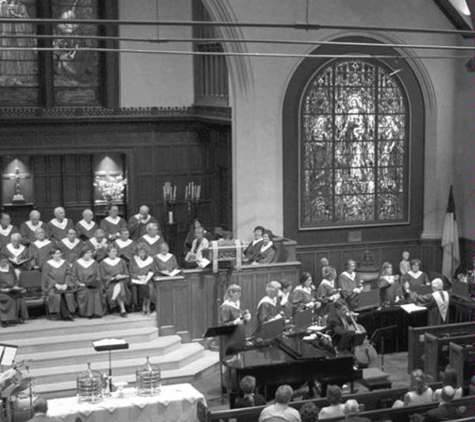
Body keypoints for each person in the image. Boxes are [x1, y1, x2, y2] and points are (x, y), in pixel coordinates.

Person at [41, 248, 76, 321]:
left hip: (65, 285)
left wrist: (66, 283)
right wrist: (55, 284)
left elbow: (69, 274)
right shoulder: (47, 264)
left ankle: (67, 314)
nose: (59, 255)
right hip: (52, 286)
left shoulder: (65, 262)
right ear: (52, 255)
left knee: (68, 295)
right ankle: (65, 315)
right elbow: (46, 277)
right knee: (56, 295)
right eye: (57, 253)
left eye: (60, 253)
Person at [219, 284, 251, 355]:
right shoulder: (225, 307)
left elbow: (241, 316)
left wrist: (246, 317)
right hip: (230, 339)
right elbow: (224, 325)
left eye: (240, 293)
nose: (240, 295)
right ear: (231, 293)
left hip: (239, 335)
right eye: (238, 293)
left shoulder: (238, 303)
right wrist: (235, 322)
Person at [72, 248, 104, 318]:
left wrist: (95, 282)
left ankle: (97, 313)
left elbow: (98, 275)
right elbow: (73, 276)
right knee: (87, 292)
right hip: (81, 285)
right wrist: (79, 283)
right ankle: (88, 313)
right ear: (83, 254)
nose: (90, 254)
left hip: (93, 283)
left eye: (90, 253)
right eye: (87, 253)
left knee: (97, 291)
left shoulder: (94, 263)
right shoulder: (77, 263)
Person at [100, 245, 130, 317]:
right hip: (110, 282)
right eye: (113, 252)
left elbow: (126, 273)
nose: (115, 253)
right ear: (108, 253)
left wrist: (121, 276)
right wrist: (112, 278)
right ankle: (123, 310)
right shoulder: (103, 263)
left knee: (120, 283)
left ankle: (113, 298)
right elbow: (103, 276)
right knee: (119, 286)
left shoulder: (121, 261)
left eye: (116, 251)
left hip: (122, 280)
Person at [0, 253, 28, 327]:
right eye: (3, 262)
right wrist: (3, 290)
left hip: (12, 289)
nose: (5, 263)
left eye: (6, 262)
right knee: (9, 299)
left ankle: (20, 317)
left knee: (20, 297)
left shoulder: (10, 267)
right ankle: (5, 319)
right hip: (2, 291)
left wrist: (15, 286)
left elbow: (15, 279)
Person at [129, 243, 155, 315]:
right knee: (145, 286)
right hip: (135, 280)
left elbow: (152, 271)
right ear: (137, 252)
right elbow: (130, 272)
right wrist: (138, 277)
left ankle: (147, 306)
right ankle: (144, 306)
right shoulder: (133, 260)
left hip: (146, 279)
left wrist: (146, 277)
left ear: (146, 252)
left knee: (149, 286)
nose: (141, 254)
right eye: (140, 252)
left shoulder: (150, 260)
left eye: (143, 252)